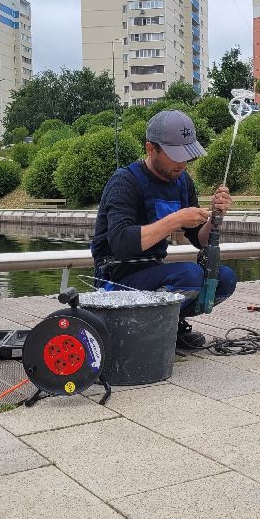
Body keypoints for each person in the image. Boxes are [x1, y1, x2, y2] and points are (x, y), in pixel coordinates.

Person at [91, 109, 237, 350]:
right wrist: (175, 219)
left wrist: (214, 217)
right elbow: (121, 243)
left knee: (223, 278)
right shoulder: (124, 181)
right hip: (116, 276)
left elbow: (199, 240)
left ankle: (170, 327)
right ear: (151, 149)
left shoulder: (183, 182)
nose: (182, 163)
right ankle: (145, 333)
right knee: (189, 276)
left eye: (186, 155)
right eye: (174, 155)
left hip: (154, 271)